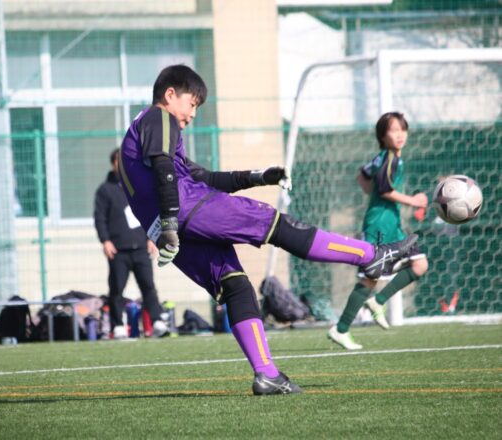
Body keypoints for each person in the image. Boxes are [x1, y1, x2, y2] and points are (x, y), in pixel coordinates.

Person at [118, 64, 418, 395]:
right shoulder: (159, 117)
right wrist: (171, 222)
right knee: (278, 225)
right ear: (170, 94)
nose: (192, 115)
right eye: (192, 104)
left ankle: (267, 374)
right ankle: (371, 256)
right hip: (184, 212)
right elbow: (166, 170)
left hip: (170, 230)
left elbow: (204, 178)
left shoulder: (143, 133)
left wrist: (259, 177)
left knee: (236, 287)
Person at [328, 112, 429, 350]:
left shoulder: (383, 157)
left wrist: (371, 193)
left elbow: (362, 175)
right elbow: (384, 190)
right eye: (393, 130)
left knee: (419, 264)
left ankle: (378, 302)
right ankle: (340, 329)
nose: (400, 134)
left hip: (391, 224)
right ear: (382, 136)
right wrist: (414, 201)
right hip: (379, 226)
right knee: (370, 278)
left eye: (403, 129)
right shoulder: (390, 159)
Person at [94, 148, 168, 339]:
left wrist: (152, 238)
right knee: (117, 289)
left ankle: (157, 321)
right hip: (118, 250)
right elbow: (100, 218)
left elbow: (151, 212)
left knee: (148, 286)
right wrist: (105, 240)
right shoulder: (105, 190)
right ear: (113, 164)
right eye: (118, 161)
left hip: (141, 247)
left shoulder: (139, 186)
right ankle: (118, 325)